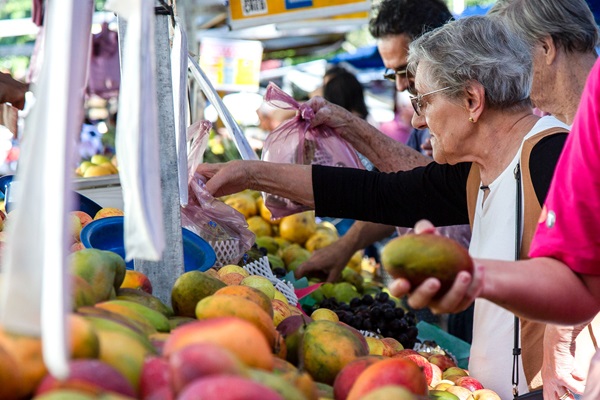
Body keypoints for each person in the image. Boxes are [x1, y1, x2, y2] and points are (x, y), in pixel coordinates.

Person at [197, 16, 569, 398]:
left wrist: (560, 344)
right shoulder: (479, 172)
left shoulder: (550, 155)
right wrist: (249, 174)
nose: (418, 119)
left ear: (472, 100)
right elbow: (377, 193)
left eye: (423, 100)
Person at [390, 56, 600, 400]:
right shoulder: (597, 93)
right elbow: (582, 276)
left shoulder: (549, 147)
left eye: (423, 100)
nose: (416, 119)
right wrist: (474, 277)